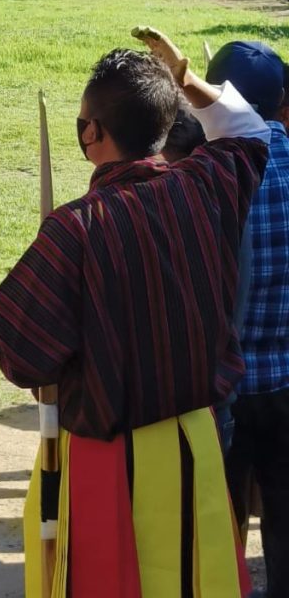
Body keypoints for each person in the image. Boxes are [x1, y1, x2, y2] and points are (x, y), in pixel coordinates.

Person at [0, 28, 269, 598]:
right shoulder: (209, 184)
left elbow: (21, 356)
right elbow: (248, 129)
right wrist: (187, 81)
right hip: (196, 444)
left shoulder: (76, 228)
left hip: (106, 464)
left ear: (91, 134)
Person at [207, 42, 289, 595]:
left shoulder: (198, 176)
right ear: (281, 103)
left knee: (219, 530)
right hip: (287, 384)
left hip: (223, 389)